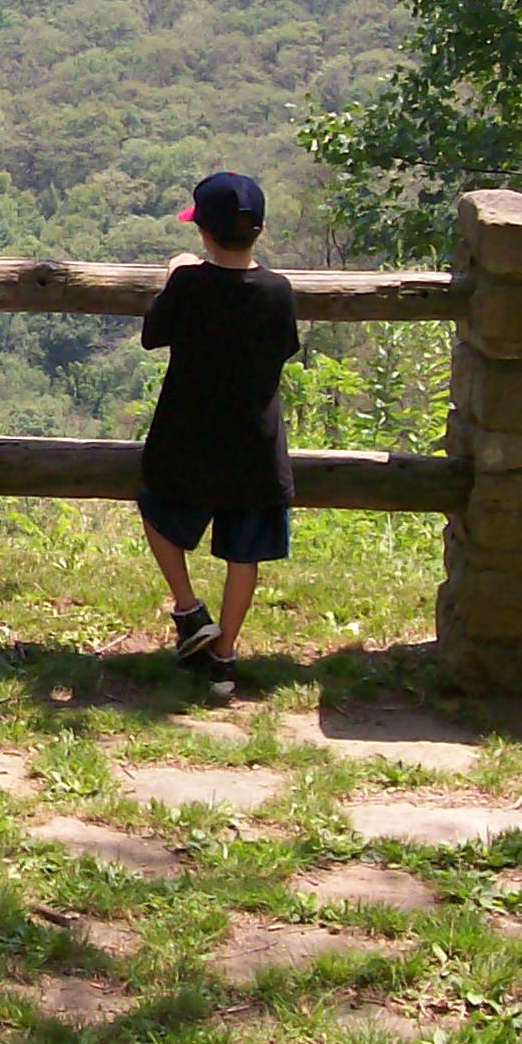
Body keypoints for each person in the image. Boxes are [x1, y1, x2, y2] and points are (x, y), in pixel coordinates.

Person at [136, 170, 301, 699]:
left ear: (203, 233)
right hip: (254, 442)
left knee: (156, 509)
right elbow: (284, 347)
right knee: (243, 553)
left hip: (187, 436)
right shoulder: (278, 291)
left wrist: (175, 275)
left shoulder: (190, 283)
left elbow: (152, 334)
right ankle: (225, 657)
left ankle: (189, 611)